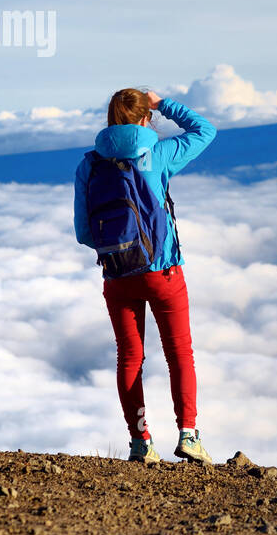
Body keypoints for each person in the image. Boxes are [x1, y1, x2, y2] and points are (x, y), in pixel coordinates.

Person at [73, 88, 217, 465]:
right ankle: (188, 434)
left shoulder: (89, 165)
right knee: (179, 353)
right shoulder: (159, 154)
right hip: (164, 272)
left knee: (130, 357)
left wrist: (120, 251)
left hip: (118, 275)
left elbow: (85, 233)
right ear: (144, 120)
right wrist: (164, 103)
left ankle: (141, 442)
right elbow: (205, 131)